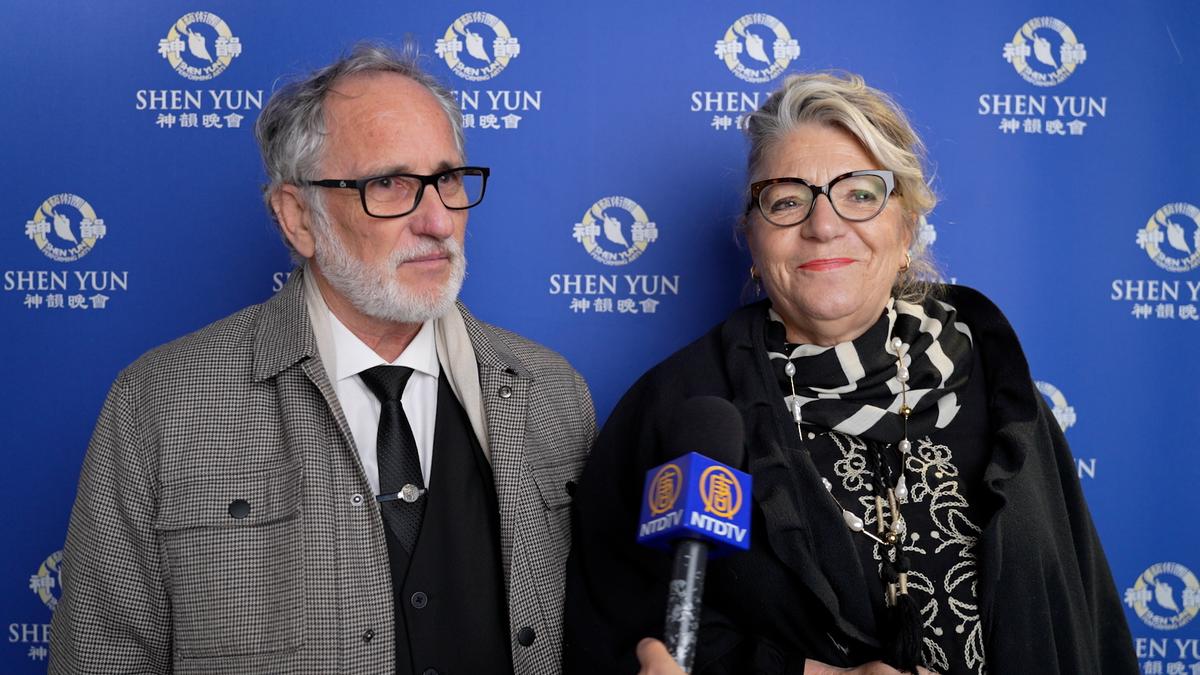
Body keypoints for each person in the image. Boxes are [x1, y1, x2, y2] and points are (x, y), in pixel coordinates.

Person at [49, 43, 595, 675]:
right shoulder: (159, 405)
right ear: (297, 217)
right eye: (389, 184)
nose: (438, 221)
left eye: (446, 179)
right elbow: (101, 657)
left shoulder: (553, 393)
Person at [563, 72, 1135, 674]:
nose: (824, 225)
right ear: (752, 239)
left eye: (860, 193)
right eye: (786, 200)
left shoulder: (994, 381)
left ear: (907, 225)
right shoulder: (681, 407)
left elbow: (1084, 618)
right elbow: (621, 634)